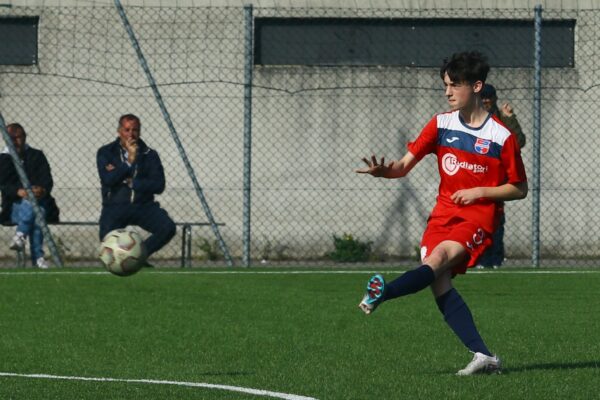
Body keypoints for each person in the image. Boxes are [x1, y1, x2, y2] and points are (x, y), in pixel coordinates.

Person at [356, 52, 527, 375]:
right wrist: (384, 171)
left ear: (476, 87)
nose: (447, 92)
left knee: (435, 263)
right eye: (445, 85)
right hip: (442, 215)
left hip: (478, 218)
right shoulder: (440, 124)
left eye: (454, 85)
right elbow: (403, 166)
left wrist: (480, 192)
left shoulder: (501, 137)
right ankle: (484, 355)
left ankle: (383, 293)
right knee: (439, 282)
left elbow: (519, 188)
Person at [96, 114, 176, 263]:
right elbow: (108, 180)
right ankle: (120, 262)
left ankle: (137, 257)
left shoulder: (149, 154)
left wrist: (134, 184)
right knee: (106, 242)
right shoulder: (106, 152)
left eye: (135, 130)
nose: (131, 134)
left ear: (139, 132)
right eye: (127, 130)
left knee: (167, 228)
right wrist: (128, 162)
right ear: (119, 131)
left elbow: (159, 185)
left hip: (143, 206)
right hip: (115, 206)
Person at [478, 84, 526, 268]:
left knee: (496, 221)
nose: (487, 101)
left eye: (489, 98)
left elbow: (519, 141)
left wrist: (510, 119)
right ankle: (479, 258)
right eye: (483, 98)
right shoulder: (472, 118)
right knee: (477, 221)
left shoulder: (501, 119)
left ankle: (495, 260)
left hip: (498, 180)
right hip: (476, 177)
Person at [0, 123, 60, 269]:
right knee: (35, 209)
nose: (15, 141)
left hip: (40, 201)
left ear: (24, 137)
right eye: (11, 138)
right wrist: (18, 192)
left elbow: (47, 180)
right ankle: (38, 258)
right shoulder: (2, 159)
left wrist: (42, 190)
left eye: (18, 137)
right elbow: (3, 185)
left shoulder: (36, 155)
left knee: (35, 207)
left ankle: (20, 235)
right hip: (14, 207)